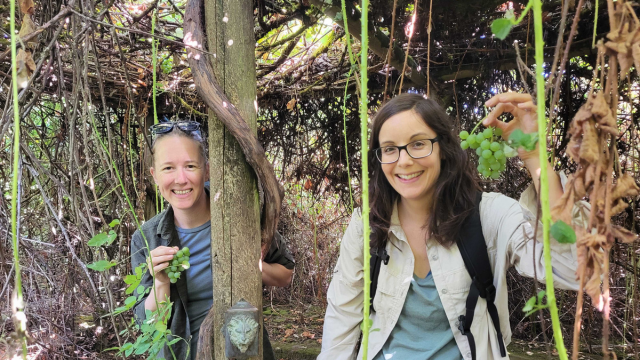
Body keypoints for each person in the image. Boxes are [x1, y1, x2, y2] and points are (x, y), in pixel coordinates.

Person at [318, 93, 588, 360]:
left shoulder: (488, 215)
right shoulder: (368, 224)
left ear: (444, 149)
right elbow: (343, 317)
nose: (403, 161)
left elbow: (572, 268)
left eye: (418, 143)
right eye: (389, 148)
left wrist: (534, 156)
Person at [130, 120, 295, 360]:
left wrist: (246, 264)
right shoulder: (146, 238)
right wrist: (161, 282)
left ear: (206, 170)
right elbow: (149, 325)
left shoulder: (240, 218)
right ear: (154, 175)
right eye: (168, 168)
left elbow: (286, 273)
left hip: (242, 353)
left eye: (190, 166)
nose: (181, 179)